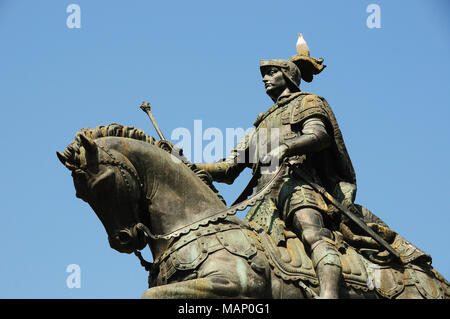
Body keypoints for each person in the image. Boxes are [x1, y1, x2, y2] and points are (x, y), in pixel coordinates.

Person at [196, 51, 356, 298]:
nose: (264, 79)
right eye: (264, 75)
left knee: (313, 234)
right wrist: (185, 163)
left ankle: (329, 294)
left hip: (298, 185)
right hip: (262, 200)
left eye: (271, 73)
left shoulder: (308, 102)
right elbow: (227, 169)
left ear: (289, 75)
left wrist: (287, 147)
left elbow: (320, 136)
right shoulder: (260, 125)